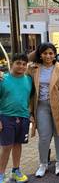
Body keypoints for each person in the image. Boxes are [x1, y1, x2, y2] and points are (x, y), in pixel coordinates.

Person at [27, 43, 59, 177]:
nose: (48, 56)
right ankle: (43, 163)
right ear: (40, 55)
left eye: (51, 53)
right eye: (45, 53)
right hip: (41, 106)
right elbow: (20, 72)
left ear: (54, 54)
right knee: (44, 136)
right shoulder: (34, 68)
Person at [0, 54, 33, 183]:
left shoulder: (29, 80)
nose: (21, 66)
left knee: (18, 144)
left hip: (23, 117)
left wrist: (30, 115)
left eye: (24, 64)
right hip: (6, 117)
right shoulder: (3, 79)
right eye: (18, 63)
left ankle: (15, 171)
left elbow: (30, 98)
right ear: (12, 63)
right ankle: (1, 174)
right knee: (6, 146)